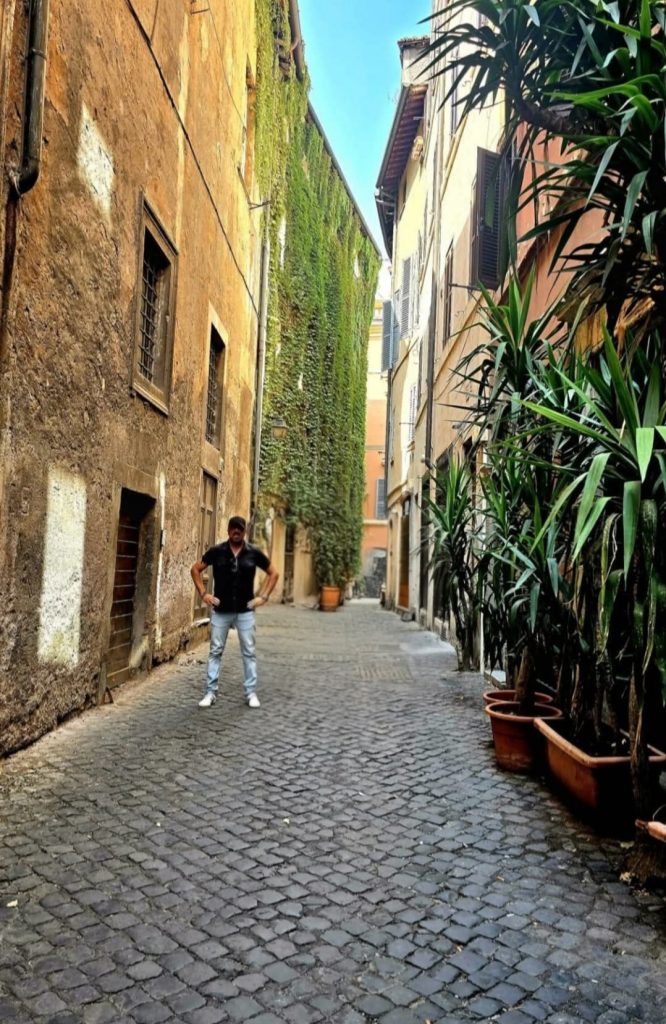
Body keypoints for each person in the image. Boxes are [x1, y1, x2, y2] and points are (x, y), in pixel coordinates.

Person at [191, 515, 279, 709]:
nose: (236, 531)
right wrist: (204, 593)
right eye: (233, 528)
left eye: (240, 528)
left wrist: (263, 597)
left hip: (245, 611)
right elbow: (196, 569)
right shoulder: (217, 551)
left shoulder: (253, 553)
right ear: (228, 530)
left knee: (248, 652)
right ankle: (210, 693)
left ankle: (250, 693)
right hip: (221, 610)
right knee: (215, 651)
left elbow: (274, 573)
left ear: (244, 531)